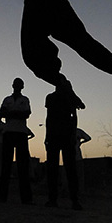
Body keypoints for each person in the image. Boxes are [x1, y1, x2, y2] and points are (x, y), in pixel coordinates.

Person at [44, 82, 82, 210]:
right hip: (56, 135)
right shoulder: (52, 98)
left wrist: (72, 134)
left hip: (64, 135)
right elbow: (48, 118)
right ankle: (54, 199)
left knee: (68, 168)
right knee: (55, 168)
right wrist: (47, 135)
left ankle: (73, 200)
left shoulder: (67, 98)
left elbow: (74, 117)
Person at [0, 77, 33, 204]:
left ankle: (26, 198)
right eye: (16, 84)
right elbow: (0, 114)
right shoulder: (7, 99)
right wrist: (16, 113)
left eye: (19, 84)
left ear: (22, 86)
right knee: (6, 165)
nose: (17, 86)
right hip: (9, 133)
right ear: (13, 85)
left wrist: (10, 113)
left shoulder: (25, 100)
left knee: (23, 166)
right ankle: (2, 196)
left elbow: (26, 114)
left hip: (21, 133)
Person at [75, 126, 92, 195]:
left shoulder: (78, 131)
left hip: (76, 157)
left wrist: (81, 143)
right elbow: (88, 138)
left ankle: (80, 191)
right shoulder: (78, 131)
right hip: (73, 156)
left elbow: (88, 138)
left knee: (79, 175)